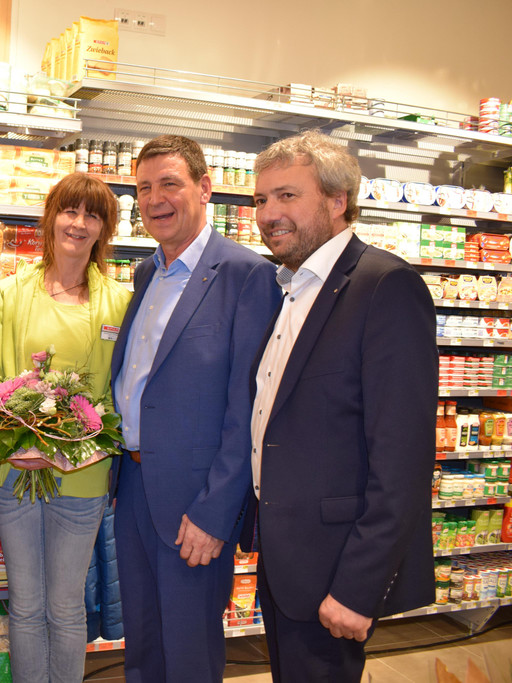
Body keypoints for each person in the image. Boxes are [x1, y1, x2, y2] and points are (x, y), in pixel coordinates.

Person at [247, 130, 436, 682]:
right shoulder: (293, 287)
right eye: (261, 199)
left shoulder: (385, 286)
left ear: (337, 201)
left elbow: (402, 460)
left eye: (287, 195)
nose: (268, 214)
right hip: (286, 561)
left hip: (334, 569)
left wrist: (359, 588)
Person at [110, 134, 280, 682]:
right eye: (143, 188)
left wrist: (215, 512)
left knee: (188, 653)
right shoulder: (146, 272)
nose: (154, 199)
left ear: (205, 188)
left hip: (194, 501)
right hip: (133, 486)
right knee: (142, 645)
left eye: (169, 184)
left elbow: (249, 409)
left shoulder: (247, 275)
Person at [0, 172, 130, 682]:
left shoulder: (119, 302)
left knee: (66, 606)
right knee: (26, 604)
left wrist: (76, 446)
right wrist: (19, 441)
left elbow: (119, 392)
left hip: (84, 477)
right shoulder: (10, 292)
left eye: (92, 215)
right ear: (51, 218)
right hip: (17, 472)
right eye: (70, 210)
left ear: (104, 229)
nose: (79, 223)